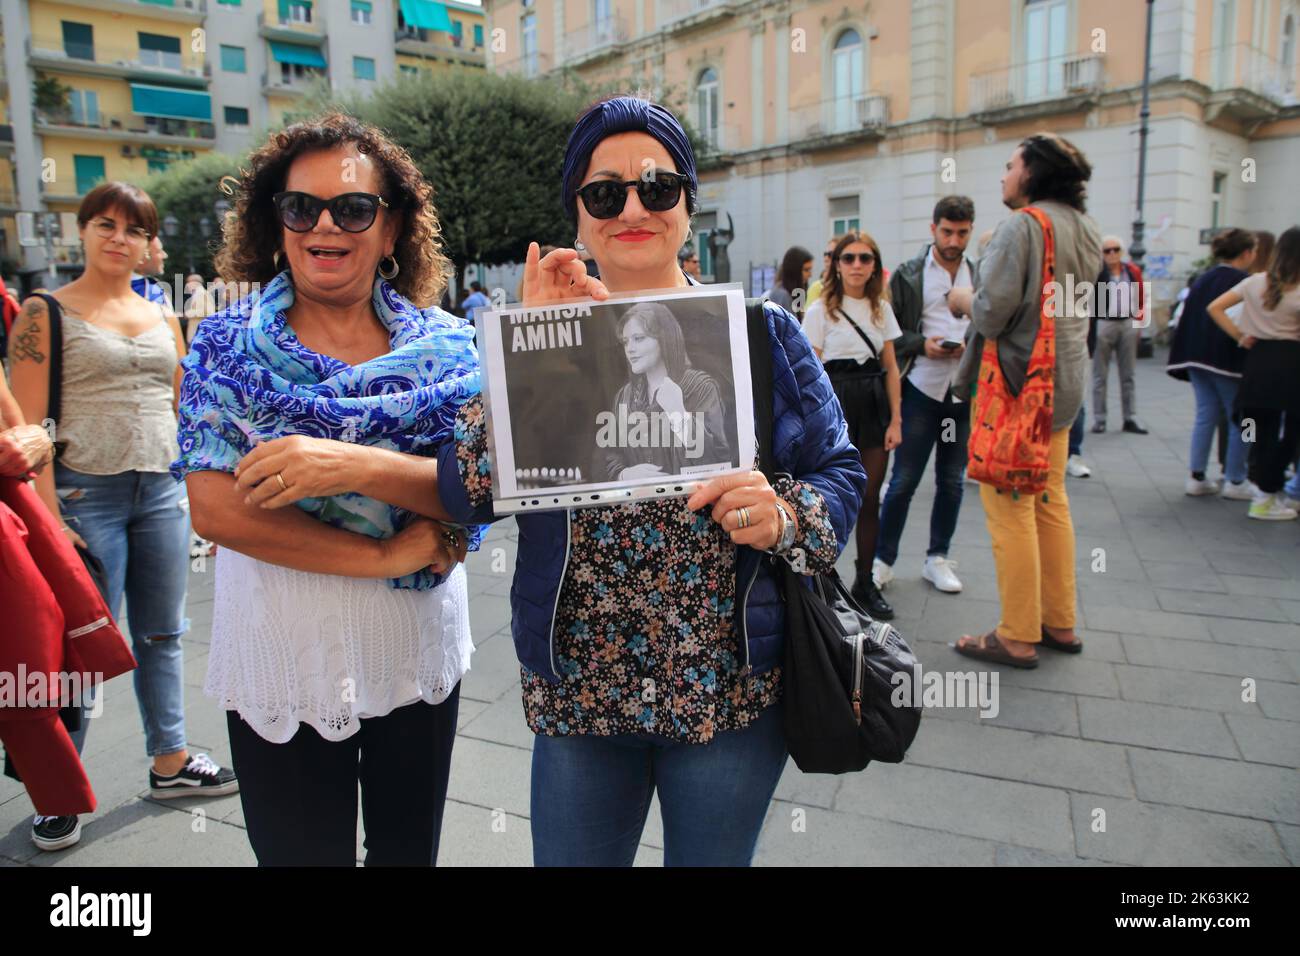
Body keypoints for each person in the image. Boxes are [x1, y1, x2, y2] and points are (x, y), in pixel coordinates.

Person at [436, 94, 866, 867]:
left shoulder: (761, 332)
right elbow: (465, 488)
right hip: (582, 691)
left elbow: (840, 473)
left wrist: (784, 515)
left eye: (657, 188)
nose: (632, 207)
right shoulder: (545, 338)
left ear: (688, 206)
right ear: (578, 212)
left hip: (725, 690)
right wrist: (528, 359)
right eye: (605, 192)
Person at [175, 112, 479, 866]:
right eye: (299, 207)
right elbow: (217, 510)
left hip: (415, 653)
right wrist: (386, 554)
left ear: (391, 227)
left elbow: (478, 488)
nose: (324, 226)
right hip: (287, 654)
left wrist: (345, 467)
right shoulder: (225, 346)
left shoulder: (451, 348)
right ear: (274, 223)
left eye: (352, 208)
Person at [9, 182, 237, 851]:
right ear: (82, 231)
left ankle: (169, 761)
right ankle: (59, 791)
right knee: (80, 649)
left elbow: (183, 408)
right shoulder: (42, 312)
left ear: (147, 244)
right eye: (104, 224)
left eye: (133, 230)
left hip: (162, 493)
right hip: (85, 497)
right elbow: (30, 429)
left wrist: (205, 495)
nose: (118, 238)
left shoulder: (160, 316)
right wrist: (51, 520)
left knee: (164, 634)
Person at [948, 131, 1101, 668]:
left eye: (1011, 165)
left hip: (1019, 388)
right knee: (1050, 500)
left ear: (1032, 173)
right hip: (1065, 381)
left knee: (1010, 505)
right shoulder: (1084, 226)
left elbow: (991, 313)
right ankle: (1059, 620)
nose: (1003, 175)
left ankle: (1015, 633)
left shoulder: (1023, 226)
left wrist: (962, 296)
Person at [874, 195, 976, 599]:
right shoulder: (911, 273)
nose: (954, 240)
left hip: (961, 393)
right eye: (947, 231)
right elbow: (892, 331)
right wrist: (923, 345)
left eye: (962, 232)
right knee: (903, 481)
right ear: (933, 229)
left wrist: (970, 346)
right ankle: (883, 560)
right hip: (920, 388)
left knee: (952, 480)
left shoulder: (979, 273)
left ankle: (937, 558)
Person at [803, 231, 903, 619]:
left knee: (870, 499)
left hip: (874, 401)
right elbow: (810, 373)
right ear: (837, 264)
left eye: (865, 258)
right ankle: (824, 581)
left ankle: (865, 581)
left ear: (875, 265)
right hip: (836, 403)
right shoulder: (819, 311)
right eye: (849, 258)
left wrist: (896, 419)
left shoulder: (881, 308)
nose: (857, 265)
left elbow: (891, 367)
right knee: (830, 495)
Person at [1205, 225, 1300, 520]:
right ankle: (1267, 493)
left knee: (1257, 428)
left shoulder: (1255, 282)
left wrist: (1240, 335)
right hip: (1290, 362)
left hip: (1257, 360)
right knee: (1292, 431)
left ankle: (1261, 489)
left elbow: (1215, 307)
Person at [1166, 227, 1258, 499]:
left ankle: (1197, 476)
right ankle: (1236, 479)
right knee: (1242, 419)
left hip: (1196, 358)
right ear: (1246, 253)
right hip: (1227, 359)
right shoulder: (1244, 282)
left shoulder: (1202, 279)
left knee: (1205, 415)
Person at [603, 300, 730, 480]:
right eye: (625, 342)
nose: (630, 349)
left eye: (639, 339)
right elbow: (611, 453)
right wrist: (624, 474)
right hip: (637, 502)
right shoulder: (625, 396)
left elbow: (717, 460)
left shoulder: (699, 387)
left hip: (692, 500)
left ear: (664, 339)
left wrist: (678, 413)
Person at [1091, 236, 1148, 434]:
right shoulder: (1097, 272)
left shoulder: (1132, 271)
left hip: (1127, 322)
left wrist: (1139, 323)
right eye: (1107, 251)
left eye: (1115, 250)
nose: (1112, 254)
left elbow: (1141, 297)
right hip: (1105, 322)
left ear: (1122, 252)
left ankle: (1130, 417)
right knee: (1100, 375)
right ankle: (1100, 418)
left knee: (1128, 374)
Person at [768, 245, 813, 319]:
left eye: (810, 270)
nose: (810, 274)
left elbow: (800, 322)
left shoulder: (798, 291)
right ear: (794, 270)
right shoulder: (782, 295)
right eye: (806, 270)